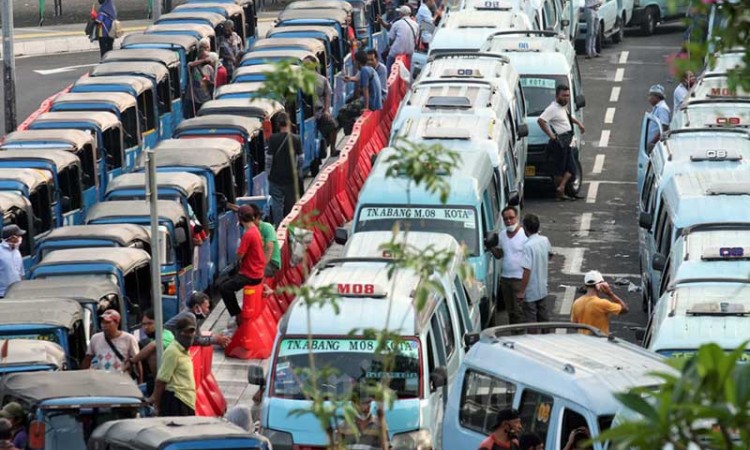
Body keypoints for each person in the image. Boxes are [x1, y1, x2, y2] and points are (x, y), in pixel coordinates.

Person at [218, 206, 266, 323]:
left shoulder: (248, 234)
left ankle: (237, 315)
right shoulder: (255, 230)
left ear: (240, 219)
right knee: (223, 282)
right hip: (255, 271)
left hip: (251, 275)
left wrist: (238, 252)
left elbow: (239, 255)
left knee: (224, 288)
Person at [538, 85, 586, 201]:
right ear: (557, 95)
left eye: (568, 95)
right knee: (559, 169)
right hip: (559, 143)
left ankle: (562, 187)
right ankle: (560, 194)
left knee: (571, 168)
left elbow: (568, 117)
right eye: (563, 95)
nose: (566, 98)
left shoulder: (563, 106)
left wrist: (578, 123)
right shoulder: (552, 108)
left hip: (567, 142)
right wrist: (552, 135)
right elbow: (541, 120)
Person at [150, 314, 197, 416]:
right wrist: (157, 407)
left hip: (187, 401)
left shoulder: (184, 350)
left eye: (192, 331)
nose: (189, 335)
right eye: (185, 332)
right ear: (178, 333)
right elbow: (161, 381)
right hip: (177, 401)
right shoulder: (173, 351)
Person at [266, 112, 303, 225]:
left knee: (277, 204)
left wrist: (269, 174)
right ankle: (290, 227)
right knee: (291, 204)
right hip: (291, 179)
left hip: (275, 179)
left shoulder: (272, 139)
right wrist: (296, 170)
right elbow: (301, 159)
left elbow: (269, 160)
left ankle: (279, 227)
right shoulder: (296, 139)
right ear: (289, 123)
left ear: (278, 124)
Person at [82, 310, 141, 380]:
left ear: (117, 323)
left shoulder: (129, 339)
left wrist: (140, 382)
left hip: (122, 380)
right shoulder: (95, 338)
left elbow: (137, 361)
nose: (104, 325)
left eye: (108, 322)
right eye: (102, 322)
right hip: (102, 380)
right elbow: (88, 359)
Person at [517, 214, 552, 325]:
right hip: (542, 287)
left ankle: (533, 341)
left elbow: (527, 271)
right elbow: (550, 255)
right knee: (543, 317)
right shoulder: (544, 240)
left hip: (531, 291)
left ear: (525, 228)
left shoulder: (527, 246)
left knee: (531, 320)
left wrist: (521, 291)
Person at [571, 271, 629, 335]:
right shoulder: (602, 303)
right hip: (600, 342)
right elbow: (625, 309)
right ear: (599, 286)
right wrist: (610, 294)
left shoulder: (577, 302)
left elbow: (575, 324)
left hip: (584, 342)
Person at [497, 206, 527, 325]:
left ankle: (520, 335)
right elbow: (499, 254)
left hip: (519, 279)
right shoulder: (502, 235)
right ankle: (514, 333)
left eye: (511, 218)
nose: (509, 221)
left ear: (517, 217)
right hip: (505, 279)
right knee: (510, 311)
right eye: (505, 219)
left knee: (519, 311)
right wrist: (490, 246)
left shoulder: (524, 235)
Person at [306, 56, 338, 159]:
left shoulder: (323, 80)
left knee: (333, 126)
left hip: (319, 112)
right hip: (306, 114)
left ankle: (333, 149)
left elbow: (328, 95)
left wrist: (326, 110)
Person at [185, 39, 216, 118]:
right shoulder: (195, 66)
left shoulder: (209, 68)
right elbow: (189, 65)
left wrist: (208, 82)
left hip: (205, 98)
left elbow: (213, 83)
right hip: (194, 99)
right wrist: (203, 60)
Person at [385, 6, 418, 73]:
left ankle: (387, 75)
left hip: (397, 51)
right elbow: (416, 38)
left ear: (400, 14)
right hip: (410, 50)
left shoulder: (396, 24)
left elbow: (391, 38)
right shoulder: (416, 24)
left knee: (389, 59)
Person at [0, 225, 25, 298]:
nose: (20, 238)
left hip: (17, 293)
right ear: (12, 237)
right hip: (3, 294)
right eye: (18, 235)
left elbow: (21, 273)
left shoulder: (16, 251)